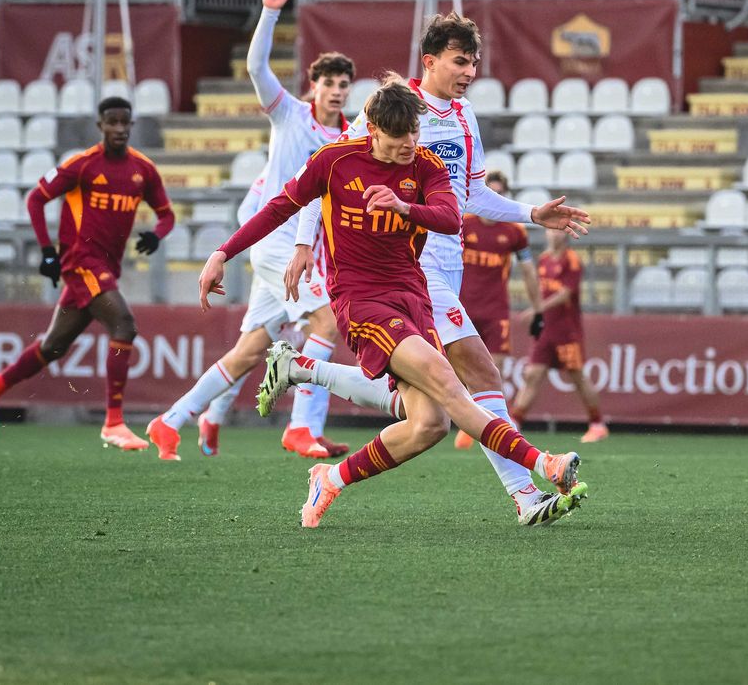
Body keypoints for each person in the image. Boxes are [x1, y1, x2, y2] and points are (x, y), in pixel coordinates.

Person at [197, 75, 587, 529]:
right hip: (360, 299)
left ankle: (330, 477)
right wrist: (223, 252)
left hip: (412, 294)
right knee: (448, 378)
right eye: (400, 136)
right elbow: (279, 206)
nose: (410, 144)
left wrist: (405, 209)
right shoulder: (334, 161)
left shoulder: (424, 165)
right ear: (374, 131)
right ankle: (543, 466)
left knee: (430, 424)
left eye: (415, 133)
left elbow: (446, 216)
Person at [278, 11, 594, 526]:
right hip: (408, 262)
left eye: (474, 62)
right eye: (460, 61)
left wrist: (531, 214)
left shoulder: (466, 117)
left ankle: (312, 400)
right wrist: (302, 243)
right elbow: (327, 171)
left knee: (425, 413)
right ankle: (526, 492)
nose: (469, 71)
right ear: (431, 61)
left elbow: (472, 195)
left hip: (448, 268)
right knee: (478, 371)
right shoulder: (392, 109)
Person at [145, 0, 353, 461]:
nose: (338, 91)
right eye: (330, 83)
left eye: (345, 84)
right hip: (276, 241)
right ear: (314, 86)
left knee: (249, 353)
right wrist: (271, 10)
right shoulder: (289, 115)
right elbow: (257, 65)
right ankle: (302, 426)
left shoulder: (346, 141)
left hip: (303, 252)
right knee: (327, 321)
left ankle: (171, 420)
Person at [0, 97, 174, 449]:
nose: (120, 129)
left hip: (105, 268)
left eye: (125, 122)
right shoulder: (82, 165)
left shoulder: (143, 170)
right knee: (124, 324)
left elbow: (166, 214)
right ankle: (113, 422)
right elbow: (36, 198)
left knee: (53, 346)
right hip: (81, 261)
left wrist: (157, 236)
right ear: (100, 126)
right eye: (112, 122)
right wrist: (48, 251)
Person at [451, 169, 544, 450]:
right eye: (492, 193)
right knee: (456, 370)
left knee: (494, 370)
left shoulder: (514, 231)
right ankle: (468, 421)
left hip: (496, 310)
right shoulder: (462, 223)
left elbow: (528, 271)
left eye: (501, 194)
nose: (496, 199)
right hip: (461, 308)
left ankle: (482, 427)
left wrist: (538, 309)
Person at [510, 227, 607, 442]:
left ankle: (597, 424)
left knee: (578, 377)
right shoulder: (543, 259)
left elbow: (565, 295)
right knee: (532, 374)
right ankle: (514, 423)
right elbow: (541, 290)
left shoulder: (571, 260)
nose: (554, 234)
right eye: (551, 231)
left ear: (565, 235)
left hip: (567, 331)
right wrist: (539, 314)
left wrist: (537, 309)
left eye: (559, 231)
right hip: (546, 330)